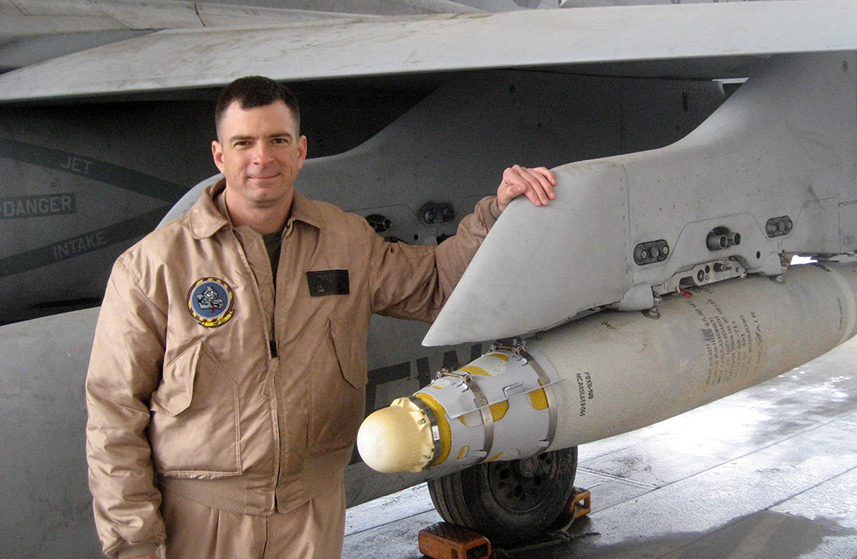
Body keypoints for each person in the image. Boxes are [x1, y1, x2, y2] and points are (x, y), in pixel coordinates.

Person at [84, 75, 556, 559]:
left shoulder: (344, 240)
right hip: (203, 519)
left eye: (278, 140)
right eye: (243, 142)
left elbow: (434, 283)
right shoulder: (154, 266)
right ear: (219, 155)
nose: (262, 158)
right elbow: (113, 412)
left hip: (312, 514)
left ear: (301, 150)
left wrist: (494, 214)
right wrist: (135, 543)